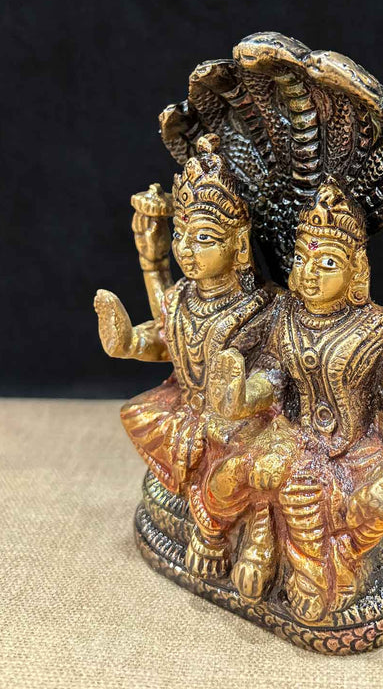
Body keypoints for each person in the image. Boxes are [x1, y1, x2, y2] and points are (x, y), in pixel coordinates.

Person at [200, 176, 383, 622]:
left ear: (356, 270)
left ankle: (334, 560)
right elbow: (271, 378)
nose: (309, 272)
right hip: (290, 438)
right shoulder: (283, 315)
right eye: (302, 258)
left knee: (370, 499)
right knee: (233, 474)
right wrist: (240, 398)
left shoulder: (380, 329)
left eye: (326, 262)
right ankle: (255, 531)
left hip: (353, 451)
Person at [94, 134, 275, 577]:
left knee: (240, 460)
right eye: (181, 235)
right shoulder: (181, 297)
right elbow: (169, 343)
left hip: (238, 424)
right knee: (138, 413)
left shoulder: (259, 309)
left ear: (239, 244)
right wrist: (129, 344)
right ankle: (206, 507)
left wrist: (241, 399)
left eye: (204, 238)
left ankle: (241, 526)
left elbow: (275, 382)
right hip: (188, 412)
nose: (187, 250)